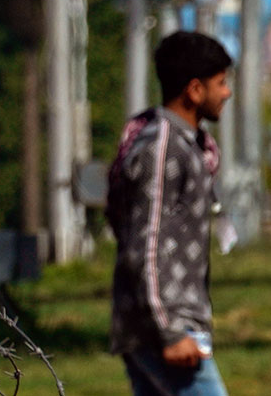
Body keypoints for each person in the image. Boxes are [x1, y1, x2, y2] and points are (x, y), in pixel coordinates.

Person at [107, 30, 234, 396]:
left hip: (169, 323)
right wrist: (169, 331)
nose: (226, 93)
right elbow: (144, 245)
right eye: (220, 83)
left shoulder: (185, 145)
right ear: (195, 90)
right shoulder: (161, 150)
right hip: (165, 328)